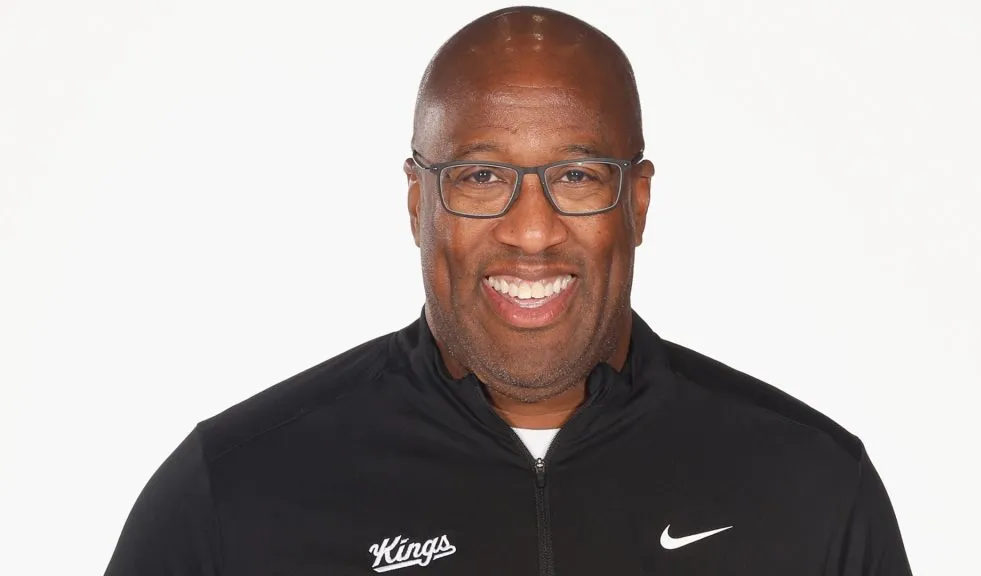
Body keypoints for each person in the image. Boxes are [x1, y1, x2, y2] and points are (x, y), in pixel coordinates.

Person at [104, 6, 912, 575]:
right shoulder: (237, 492)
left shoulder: (808, 488)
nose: (531, 231)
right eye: (481, 176)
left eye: (578, 175)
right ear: (419, 202)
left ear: (637, 203)